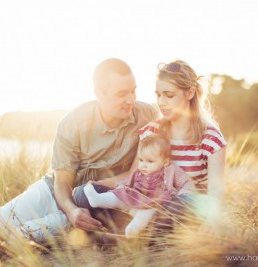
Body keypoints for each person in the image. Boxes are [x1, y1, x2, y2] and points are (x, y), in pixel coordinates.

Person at [0, 58, 159, 243]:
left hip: (92, 205)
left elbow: (141, 169)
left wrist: (78, 210)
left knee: (19, 239)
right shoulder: (72, 123)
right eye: (122, 94)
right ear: (100, 93)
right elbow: (61, 182)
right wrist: (71, 210)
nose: (131, 100)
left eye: (134, 91)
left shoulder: (147, 116)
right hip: (54, 192)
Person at [73, 59, 226, 236]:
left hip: (183, 207)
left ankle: (135, 235)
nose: (161, 102)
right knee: (84, 194)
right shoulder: (150, 131)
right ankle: (139, 233)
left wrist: (212, 222)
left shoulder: (211, 138)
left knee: (176, 204)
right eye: (158, 95)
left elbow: (216, 191)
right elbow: (133, 175)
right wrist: (96, 184)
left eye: (169, 95)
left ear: (190, 93)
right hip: (147, 202)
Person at [83, 135, 195, 238]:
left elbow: (186, 183)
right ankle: (98, 199)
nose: (143, 165)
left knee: (146, 213)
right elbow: (128, 181)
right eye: (141, 160)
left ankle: (133, 230)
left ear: (165, 162)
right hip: (134, 197)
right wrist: (119, 186)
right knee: (120, 194)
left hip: (153, 202)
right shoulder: (138, 171)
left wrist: (182, 196)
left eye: (150, 161)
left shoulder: (171, 170)